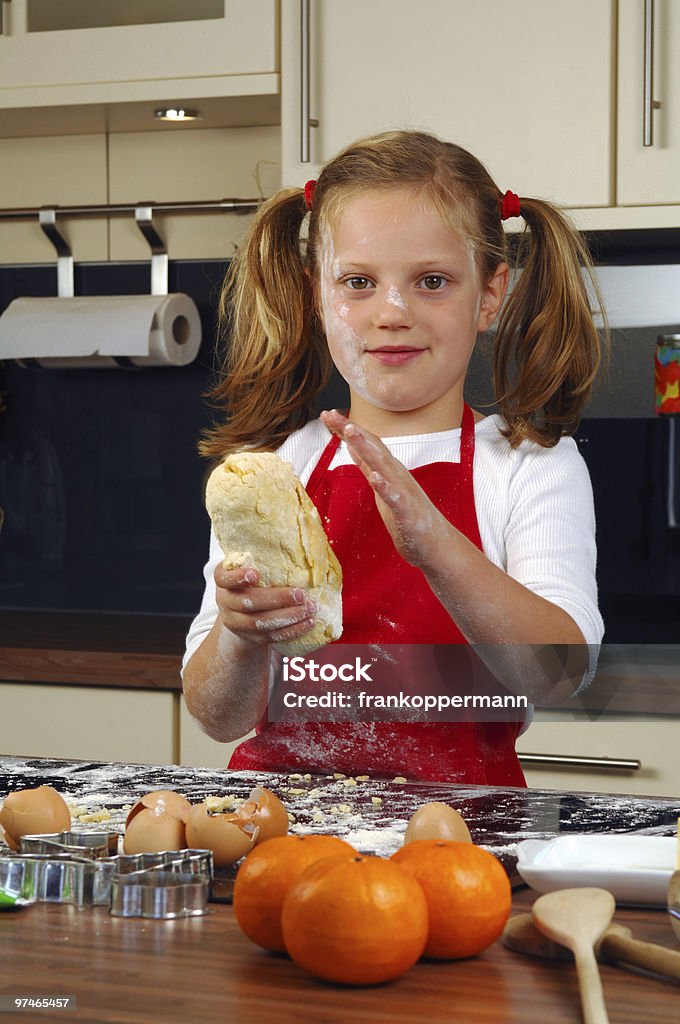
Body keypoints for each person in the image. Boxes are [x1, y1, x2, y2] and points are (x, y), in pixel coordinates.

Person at [182, 129, 606, 786]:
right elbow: (218, 716)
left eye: (431, 281)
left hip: (458, 834)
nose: (392, 312)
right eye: (358, 282)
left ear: (490, 294)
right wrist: (240, 635)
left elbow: (557, 677)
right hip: (283, 829)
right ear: (317, 295)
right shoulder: (278, 470)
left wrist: (437, 548)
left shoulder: (529, 465)